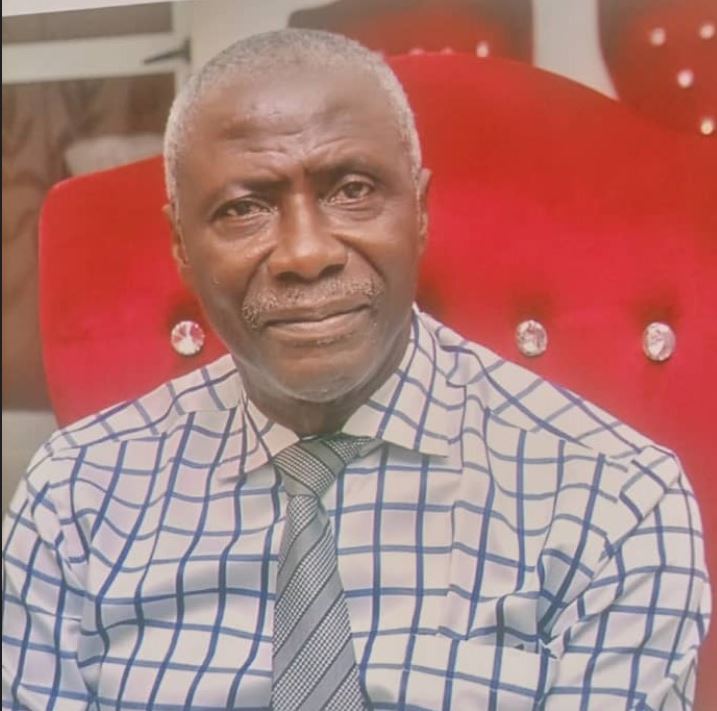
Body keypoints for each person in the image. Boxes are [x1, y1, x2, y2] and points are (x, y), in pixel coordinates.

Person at [2, 29, 710, 710]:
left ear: (420, 211)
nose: (306, 253)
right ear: (181, 244)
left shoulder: (614, 501)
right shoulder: (76, 497)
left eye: (352, 190)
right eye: (244, 208)